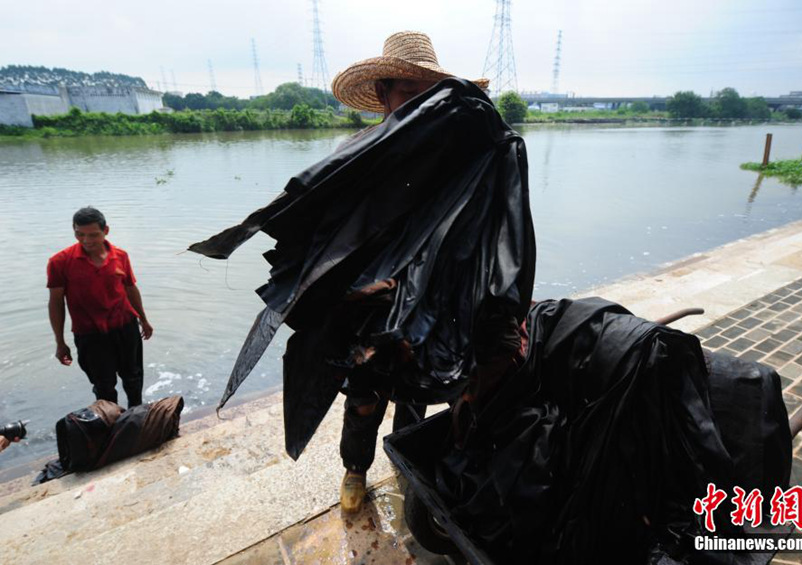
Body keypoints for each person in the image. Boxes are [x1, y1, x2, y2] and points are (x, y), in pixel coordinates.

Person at [189, 30, 534, 517]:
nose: (419, 107)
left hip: (430, 307)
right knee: (365, 396)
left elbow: (488, 236)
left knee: (418, 396)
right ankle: (355, 470)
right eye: (407, 96)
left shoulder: (464, 158)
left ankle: (407, 460)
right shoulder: (360, 158)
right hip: (369, 302)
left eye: (427, 97)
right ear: (382, 97)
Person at [47, 207, 153, 407]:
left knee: (133, 379)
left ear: (106, 231)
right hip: (90, 334)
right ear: (74, 230)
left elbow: (130, 289)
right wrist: (60, 341)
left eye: (93, 235)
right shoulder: (59, 262)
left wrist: (144, 320)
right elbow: (56, 303)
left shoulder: (120, 256)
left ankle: (137, 419)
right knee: (103, 387)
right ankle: (110, 428)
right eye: (80, 234)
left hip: (125, 327)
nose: (86, 240)